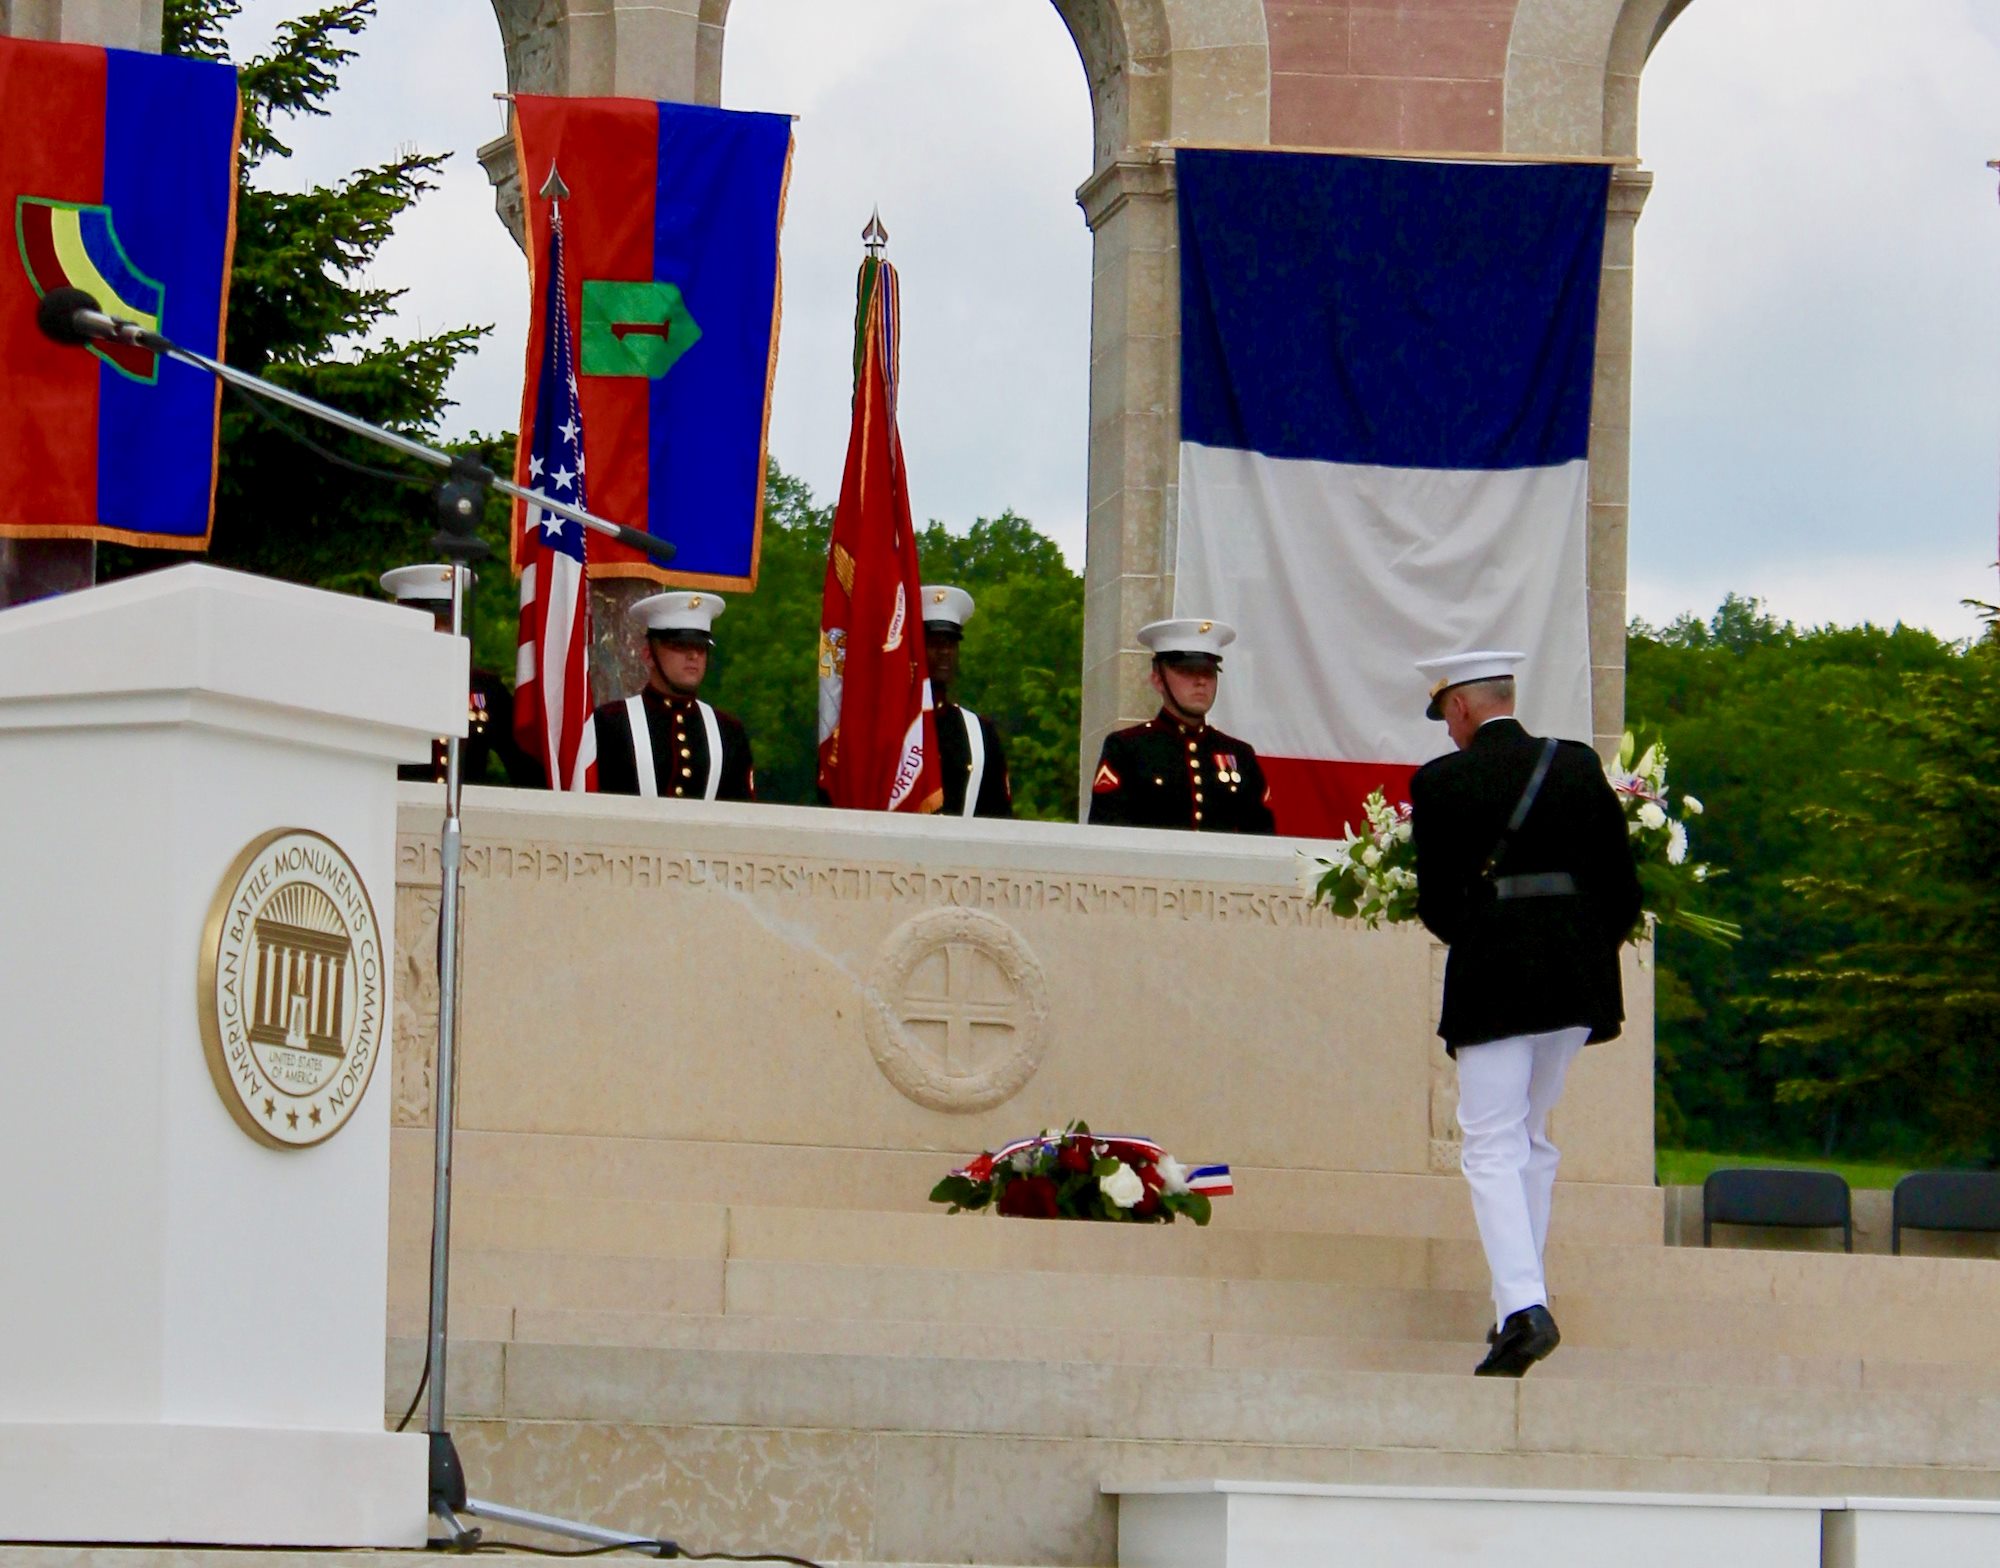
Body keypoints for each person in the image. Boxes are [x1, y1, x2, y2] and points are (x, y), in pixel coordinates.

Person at [1407, 649, 1642, 1378]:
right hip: (1578, 977)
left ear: (1462, 708)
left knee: (1489, 1143)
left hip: (1497, 975)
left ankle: (1521, 1308)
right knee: (1532, 1138)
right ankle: (1522, 1293)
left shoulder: (1443, 781)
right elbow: (1623, 889)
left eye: (1447, 715)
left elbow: (1439, 904)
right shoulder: (1575, 766)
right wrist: (1578, 945)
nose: (1448, 730)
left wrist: (1490, 934)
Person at [1086, 617, 1275, 834]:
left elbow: (1263, 839)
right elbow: (1107, 834)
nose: (1200, 681)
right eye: (1187, 671)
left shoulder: (1240, 755)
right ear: (1158, 680)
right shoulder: (1128, 749)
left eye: (1208, 672)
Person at [380, 563, 544, 788]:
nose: (444, 634)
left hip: (466, 814)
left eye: (450, 625)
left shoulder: (483, 688)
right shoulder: (384, 683)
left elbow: (525, 768)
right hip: (395, 813)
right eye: (433, 626)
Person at [592, 591, 755, 801]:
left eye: (700, 647)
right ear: (649, 655)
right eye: (680, 645)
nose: (693, 655)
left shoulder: (729, 732)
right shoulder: (611, 724)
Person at [921, 584, 1013, 819]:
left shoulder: (979, 732)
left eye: (951, 644)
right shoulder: (890, 727)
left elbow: (998, 816)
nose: (945, 653)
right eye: (934, 643)